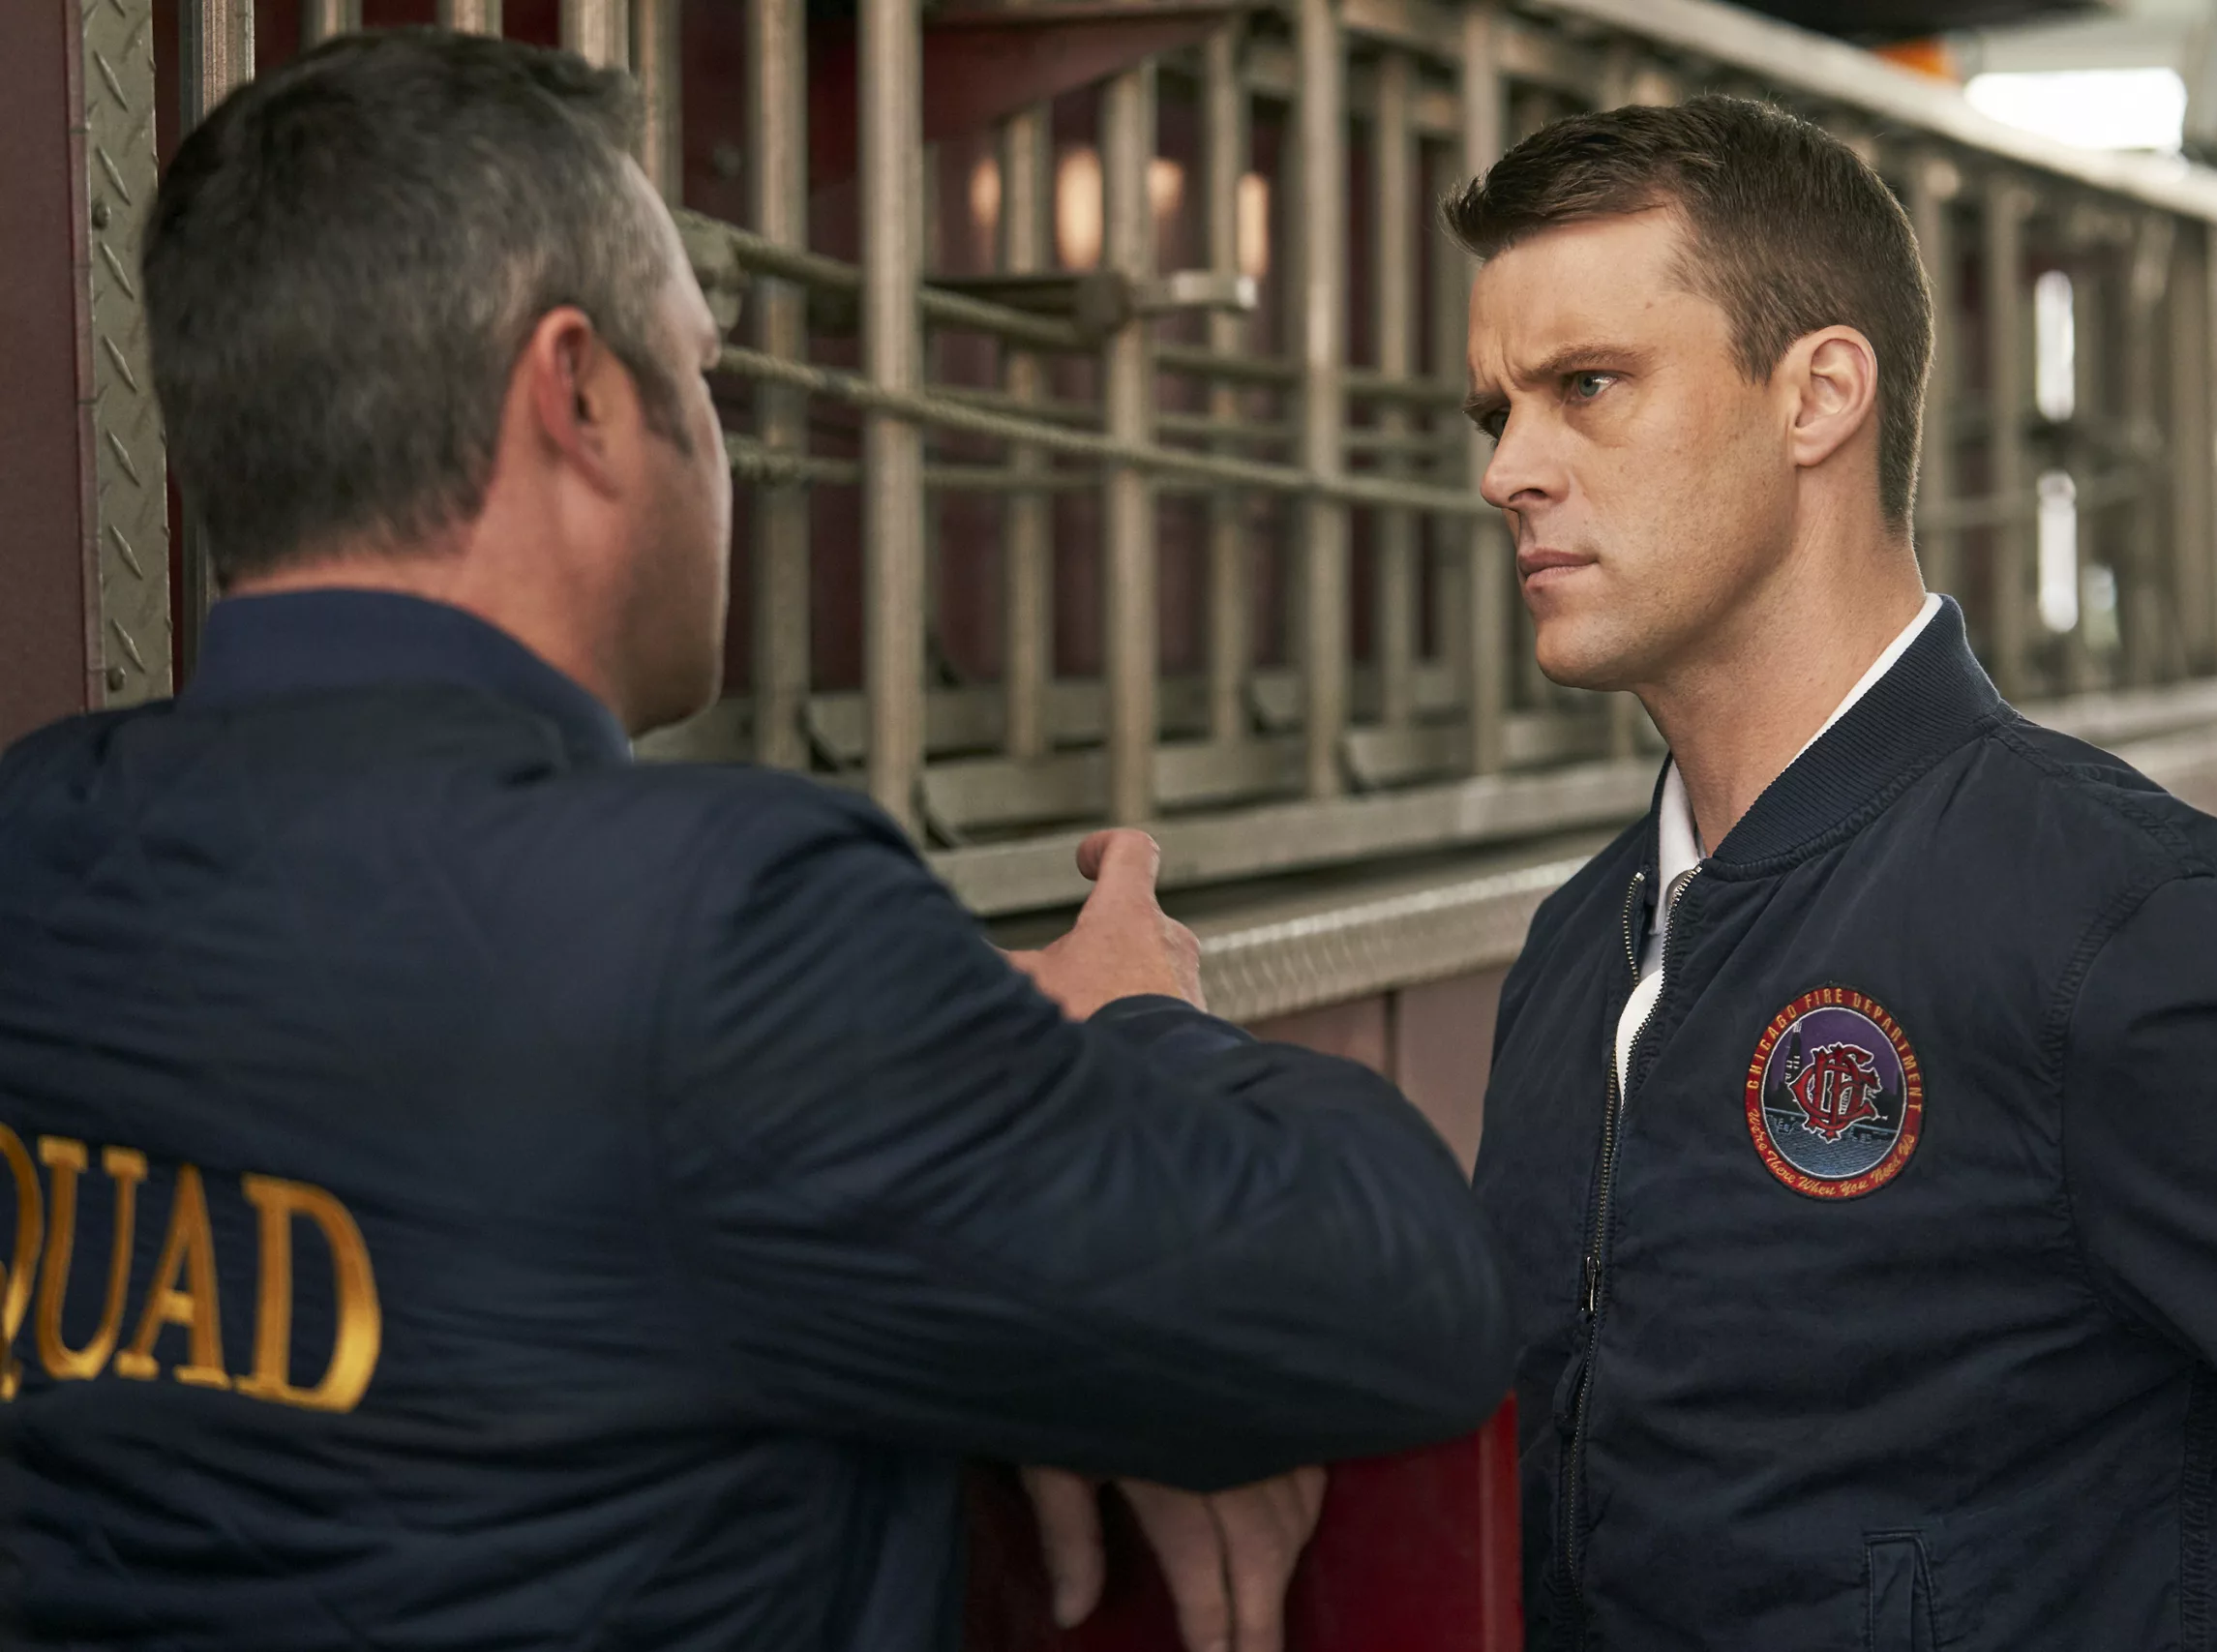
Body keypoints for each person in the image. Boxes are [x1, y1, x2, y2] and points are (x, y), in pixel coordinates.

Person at [0, 31, 1513, 1652]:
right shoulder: (715, 923)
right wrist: (1138, 1021)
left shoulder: (32, 843)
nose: (720, 447)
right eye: (702, 373)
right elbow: (1405, 1293)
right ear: (580, 395)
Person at [1453, 97, 2217, 1651]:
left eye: (1587, 386)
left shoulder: (2128, 935)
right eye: (1497, 413)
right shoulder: (1577, 955)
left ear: (1819, 396)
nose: (1510, 471)